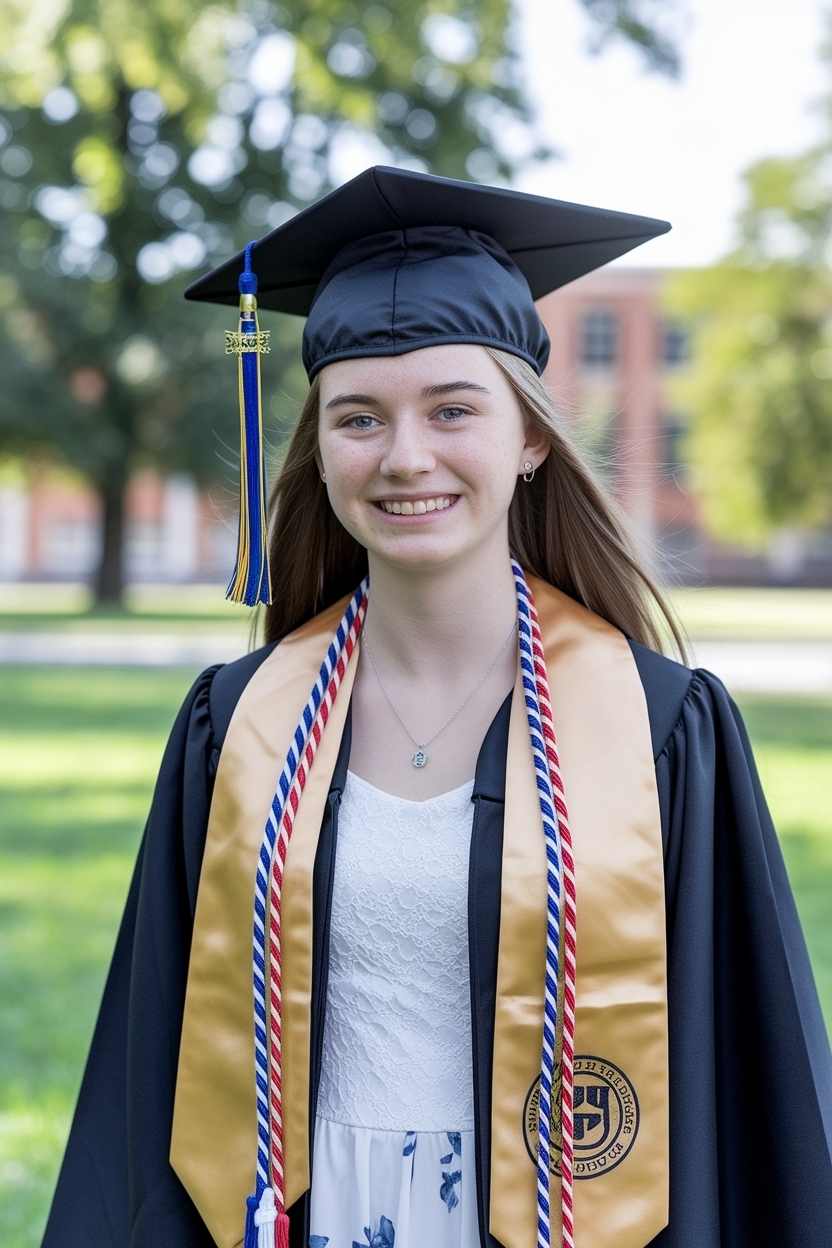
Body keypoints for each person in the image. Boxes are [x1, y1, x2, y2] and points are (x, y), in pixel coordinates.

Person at [44, 168, 832, 1248]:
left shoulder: (660, 731)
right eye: (358, 417)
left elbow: (753, 1084)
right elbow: (146, 1081)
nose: (404, 456)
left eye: (452, 409)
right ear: (320, 453)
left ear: (530, 439)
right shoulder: (237, 727)